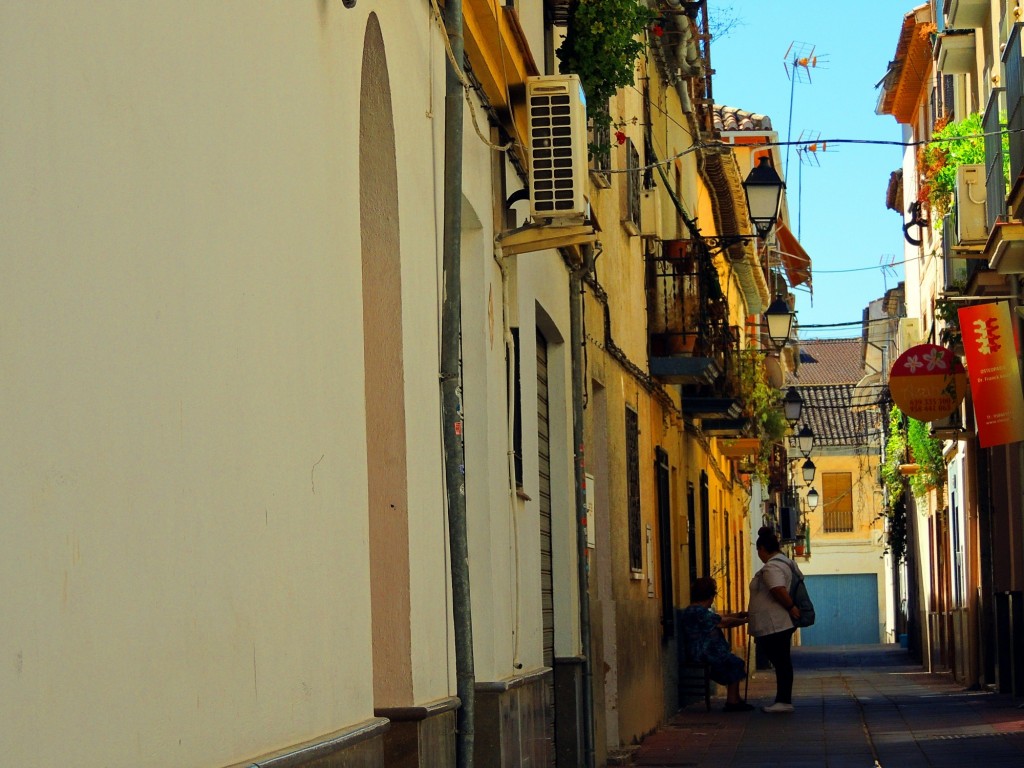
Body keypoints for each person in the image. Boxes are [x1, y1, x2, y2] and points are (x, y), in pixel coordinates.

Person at [748, 526, 802, 713]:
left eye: (759, 551)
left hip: (774, 623)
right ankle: (783, 699)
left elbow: (777, 589)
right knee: (782, 661)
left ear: (763, 549)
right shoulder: (785, 564)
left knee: (780, 661)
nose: (759, 555)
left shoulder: (772, 567)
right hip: (775, 622)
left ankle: (784, 700)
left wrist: (791, 607)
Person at [679, 576, 753, 712]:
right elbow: (723, 622)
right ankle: (732, 701)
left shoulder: (693, 611)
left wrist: (740, 615)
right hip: (702, 651)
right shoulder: (698, 612)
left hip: (701, 650)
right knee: (734, 663)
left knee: (733, 662)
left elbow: (719, 618)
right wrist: (746, 620)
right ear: (710, 596)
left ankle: (735, 698)